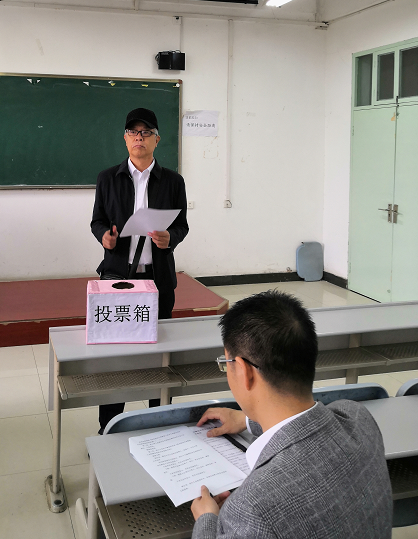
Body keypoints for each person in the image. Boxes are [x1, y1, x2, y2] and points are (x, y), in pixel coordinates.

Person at [191, 290, 392, 539]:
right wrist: (247, 421)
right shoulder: (357, 418)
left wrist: (207, 520)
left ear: (244, 371)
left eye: (227, 363)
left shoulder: (252, 509)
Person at [91, 107, 188, 431]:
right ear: (125, 138)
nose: (139, 138)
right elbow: (97, 221)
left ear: (157, 140)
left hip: (158, 278)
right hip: (118, 278)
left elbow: (182, 225)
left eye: (146, 132)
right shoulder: (108, 178)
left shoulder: (173, 181)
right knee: (116, 357)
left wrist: (170, 238)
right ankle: (109, 426)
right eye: (133, 132)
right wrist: (104, 237)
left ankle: (159, 424)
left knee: (160, 356)